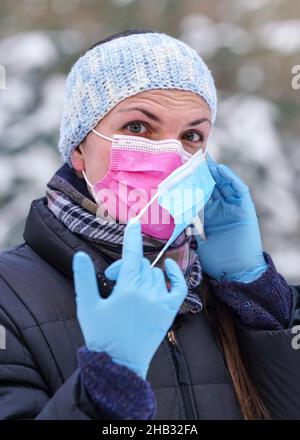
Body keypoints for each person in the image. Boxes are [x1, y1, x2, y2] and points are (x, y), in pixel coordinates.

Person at [0, 29, 299, 421]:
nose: (169, 155)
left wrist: (256, 293)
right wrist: (106, 386)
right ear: (79, 148)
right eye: (138, 127)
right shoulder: (8, 298)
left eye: (191, 135)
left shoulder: (222, 291)